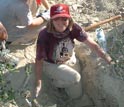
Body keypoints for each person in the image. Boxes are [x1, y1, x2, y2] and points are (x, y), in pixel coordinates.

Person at [35, 3, 113, 99]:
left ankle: (67, 87)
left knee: (77, 96)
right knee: (75, 77)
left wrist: (106, 57)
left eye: (64, 19)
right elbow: (39, 60)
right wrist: (39, 82)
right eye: (56, 19)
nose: (60, 22)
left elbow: (92, 44)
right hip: (52, 64)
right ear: (51, 20)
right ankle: (55, 83)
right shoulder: (44, 35)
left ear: (69, 19)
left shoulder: (74, 28)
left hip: (69, 59)